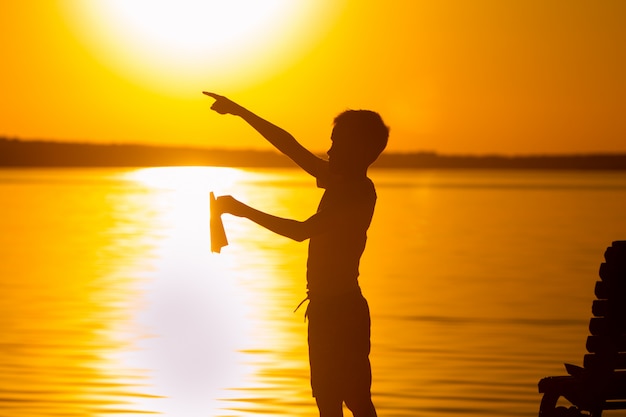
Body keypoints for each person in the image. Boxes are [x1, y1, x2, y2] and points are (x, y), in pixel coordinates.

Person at [204, 92, 388, 417]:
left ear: (359, 149)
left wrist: (240, 210)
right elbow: (289, 146)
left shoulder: (358, 193)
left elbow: (301, 231)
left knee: (356, 400)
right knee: (327, 402)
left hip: (343, 313)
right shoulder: (339, 182)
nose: (329, 150)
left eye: (337, 143)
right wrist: (240, 112)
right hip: (322, 310)